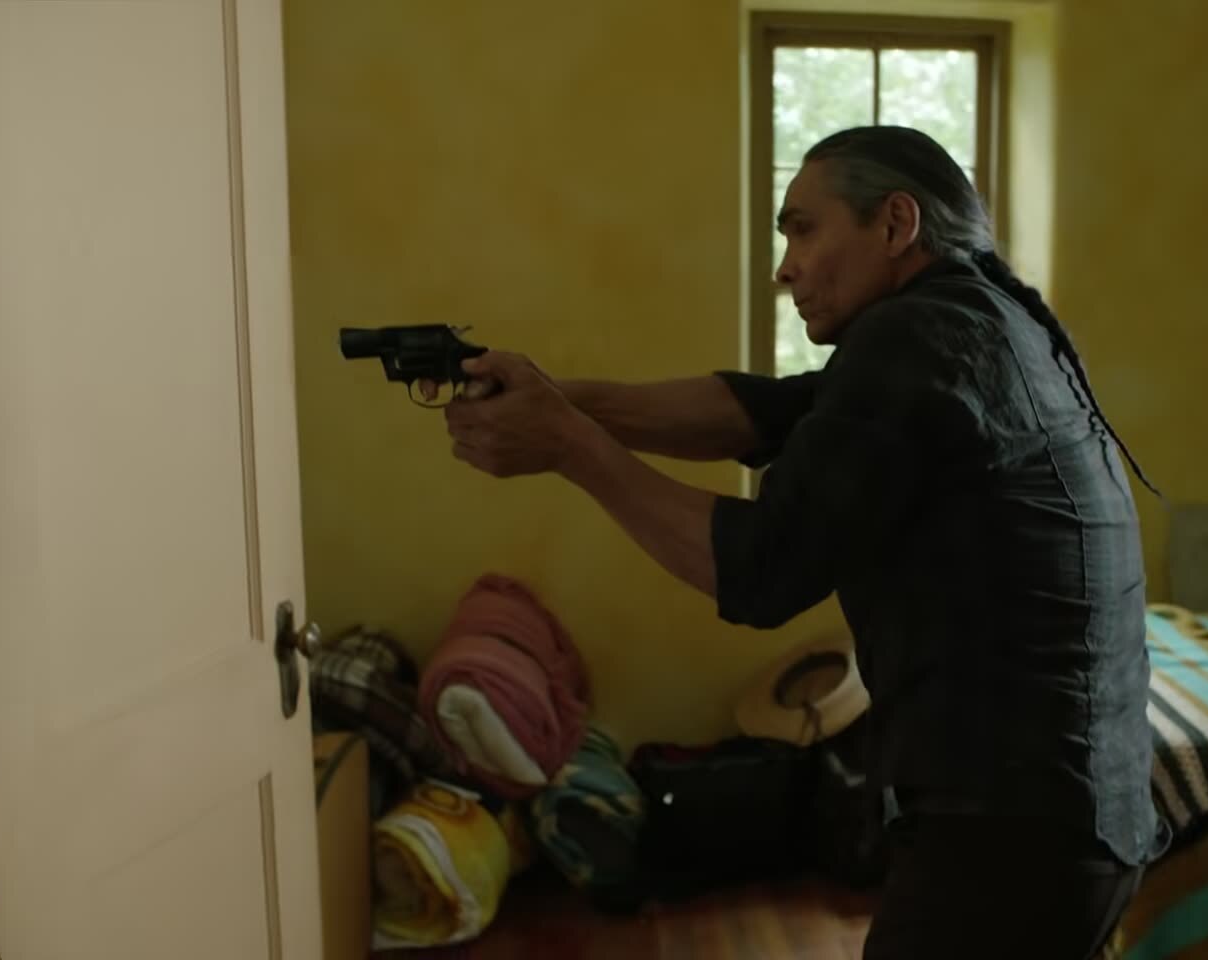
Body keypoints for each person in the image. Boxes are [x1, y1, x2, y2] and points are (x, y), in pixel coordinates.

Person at [437, 126, 1163, 958]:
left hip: (1011, 833)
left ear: (896, 224)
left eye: (803, 230)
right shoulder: (976, 323)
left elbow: (759, 569)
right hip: (1072, 819)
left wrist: (568, 447)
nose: (785, 269)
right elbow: (766, 414)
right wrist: (556, 398)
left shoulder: (919, 337)